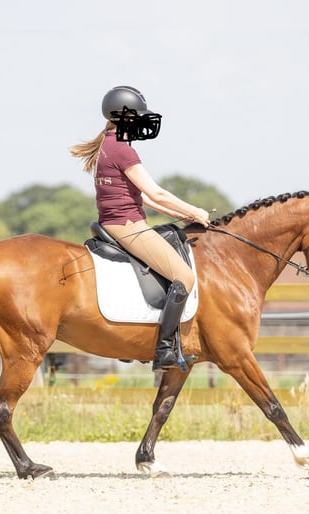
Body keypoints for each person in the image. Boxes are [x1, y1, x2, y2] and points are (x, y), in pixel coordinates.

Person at [70, 85, 211, 371]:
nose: (142, 121)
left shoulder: (107, 146)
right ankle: (165, 349)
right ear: (122, 117)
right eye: (137, 116)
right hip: (128, 227)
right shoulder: (122, 150)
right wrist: (194, 210)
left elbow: (144, 198)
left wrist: (180, 215)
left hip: (119, 222)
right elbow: (156, 193)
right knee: (183, 276)